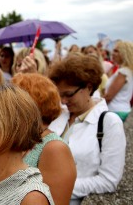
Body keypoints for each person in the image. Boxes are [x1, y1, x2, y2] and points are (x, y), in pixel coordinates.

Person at [48, 54, 126, 204]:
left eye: (69, 95)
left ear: (89, 87)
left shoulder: (110, 123)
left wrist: (57, 187)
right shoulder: (60, 115)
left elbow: (109, 181)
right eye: (60, 95)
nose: (63, 101)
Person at [12, 73, 76, 205]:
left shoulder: (55, 148)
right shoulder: (22, 140)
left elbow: (56, 201)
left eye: (13, 102)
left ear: (30, 106)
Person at [104, 40, 133, 122]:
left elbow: (109, 96)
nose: (112, 53)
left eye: (116, 51)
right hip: (121, 110)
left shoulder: (123, 72)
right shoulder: (128, 70)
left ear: (125, 53)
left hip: (115, 111)